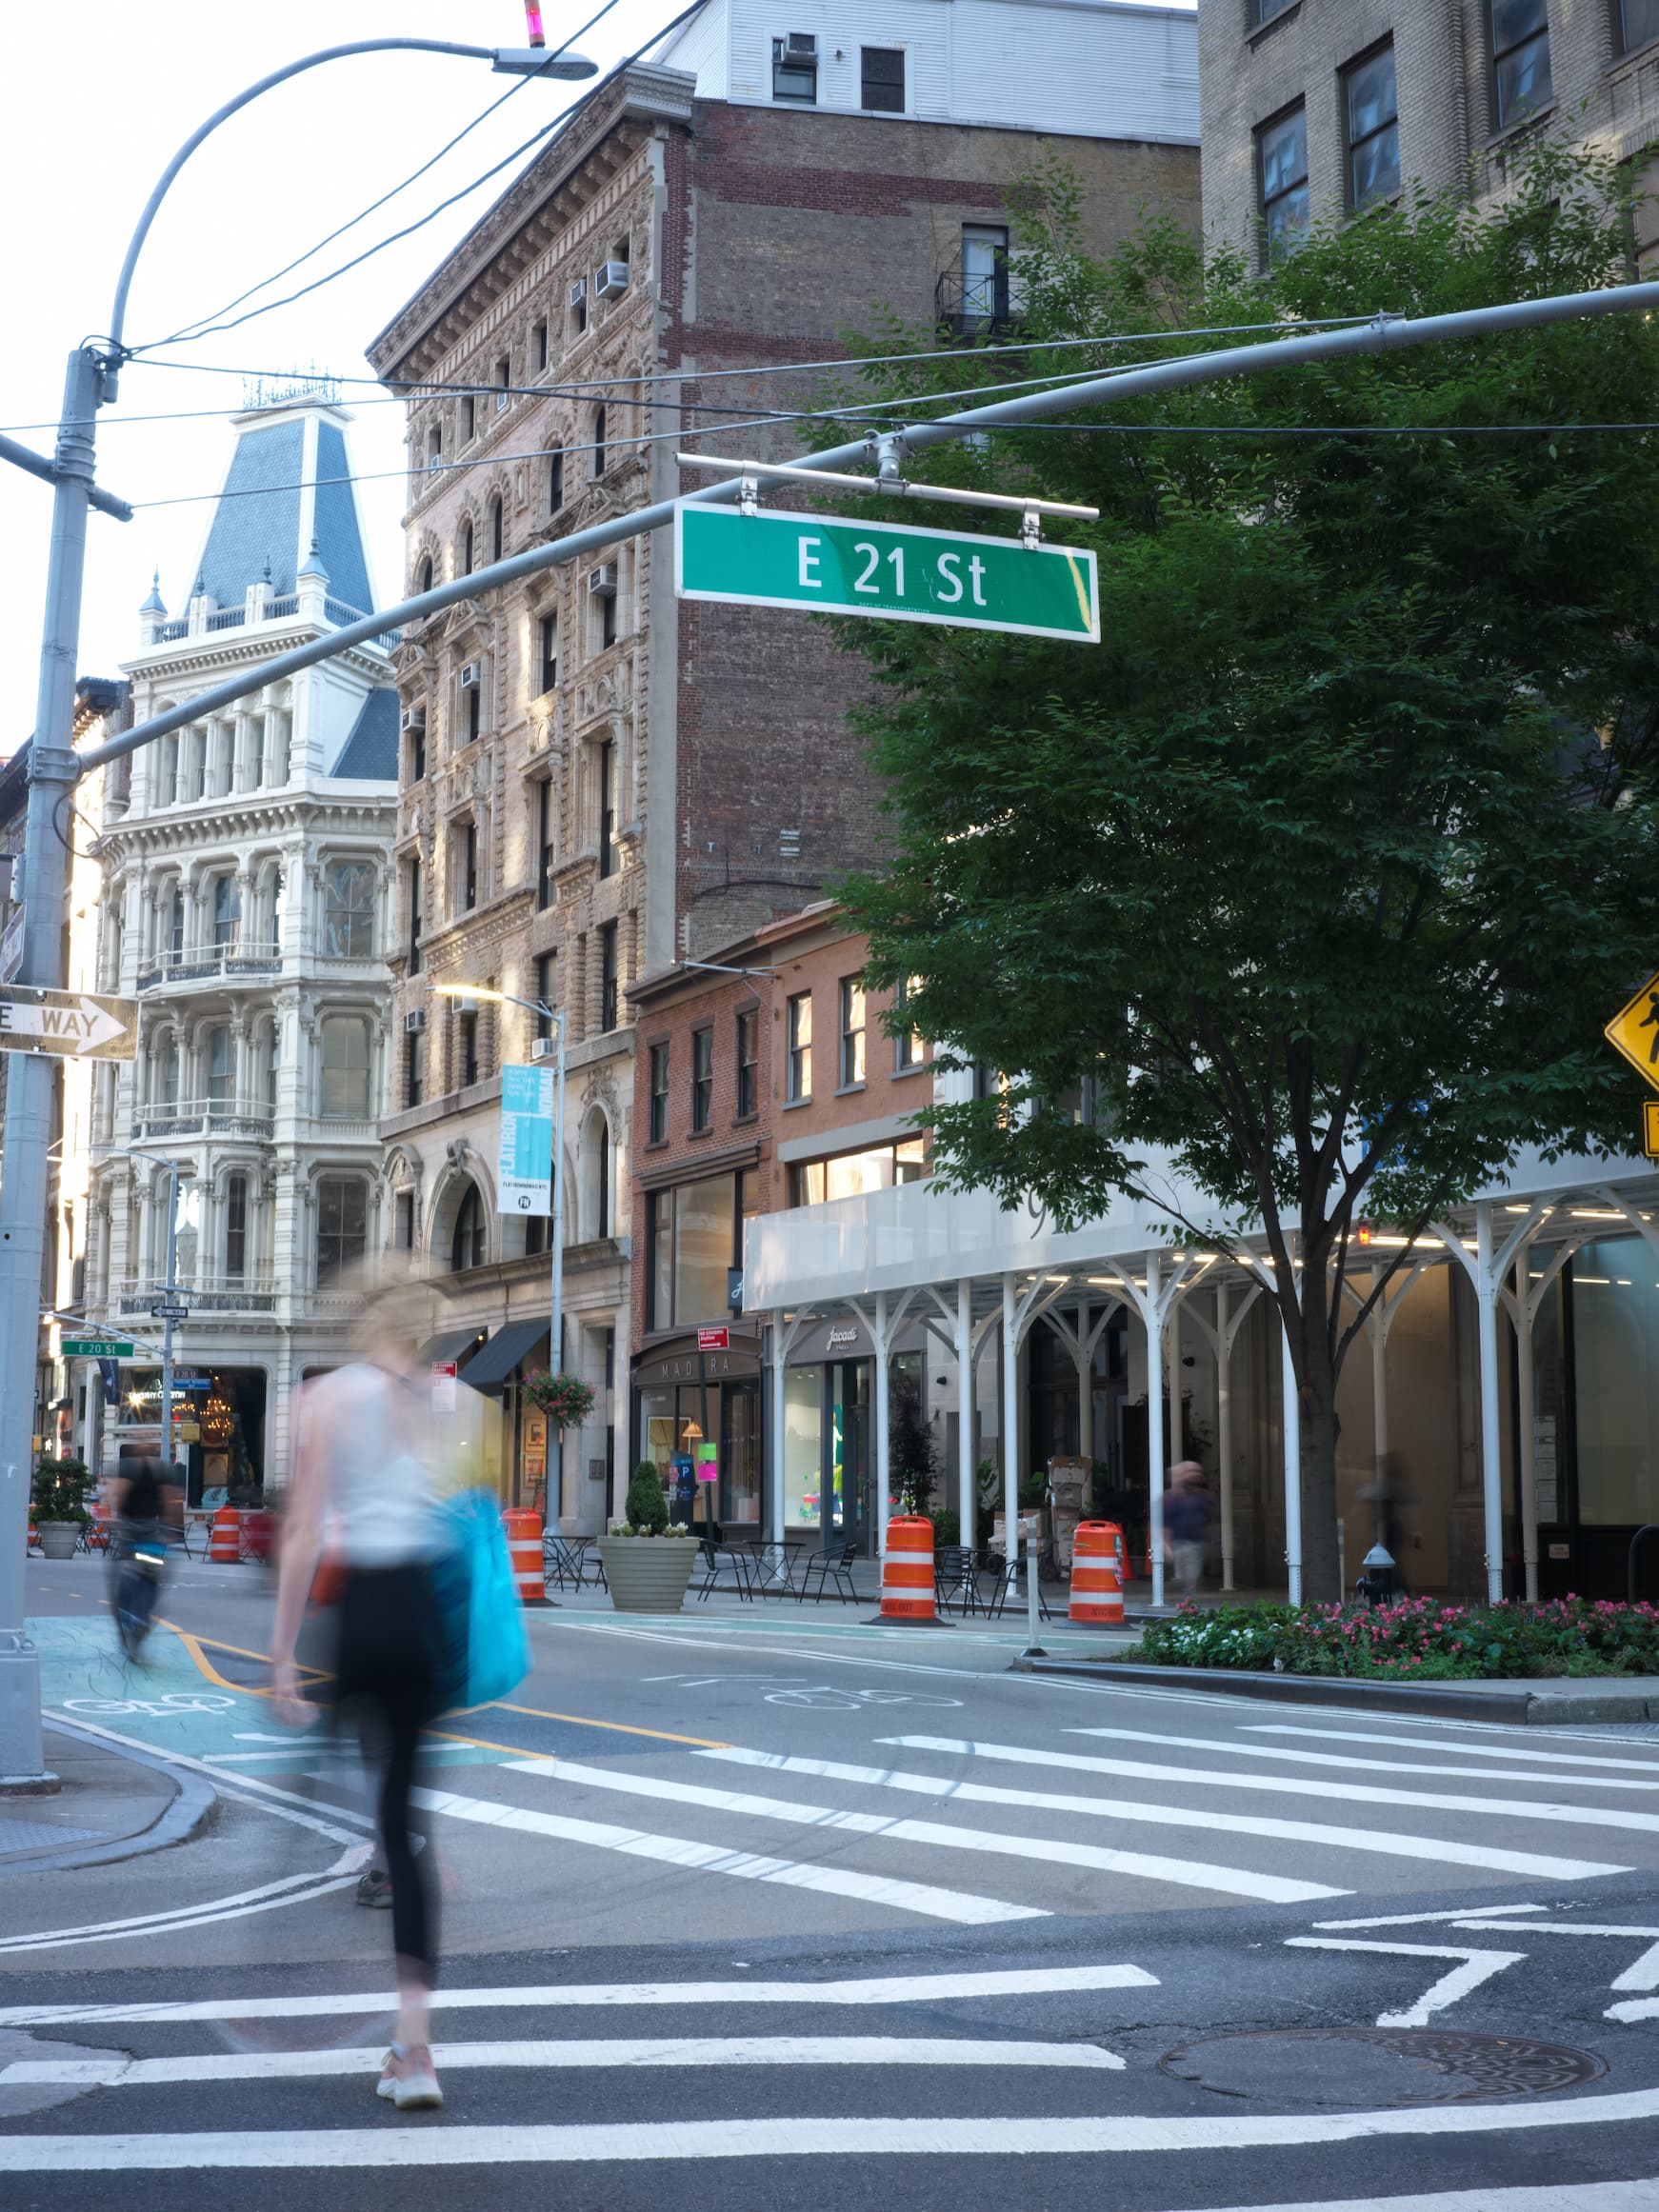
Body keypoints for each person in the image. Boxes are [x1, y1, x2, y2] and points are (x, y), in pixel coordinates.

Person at [270, 1304, 486, 2114]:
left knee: (314, 1781)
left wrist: (286, 1651)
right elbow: (465, 1511)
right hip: (424, 1618)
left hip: (362, 1608)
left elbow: (302, 1530)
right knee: (405, 1823)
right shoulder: (440, 1399)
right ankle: (416, 2048)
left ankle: (286, 1969)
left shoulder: (328, 1396)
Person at [1161, 1460, 1211, 1599]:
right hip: (1179, 1543)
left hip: (1195, 1544)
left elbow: (1207, 1518)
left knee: (1191, 1576)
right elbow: (1165, 1523)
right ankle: (1188, 1603)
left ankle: (1189, 1604)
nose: (1195, 1475)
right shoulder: (1170, 1497)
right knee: (1186, 1576)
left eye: (1197, 1472)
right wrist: (1166, 1545)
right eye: (1191, 1472)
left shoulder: (1201, 1496)